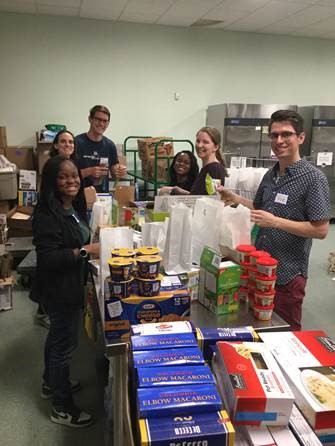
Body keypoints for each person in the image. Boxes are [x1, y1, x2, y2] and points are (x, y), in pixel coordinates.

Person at [217, 110, 330, 330]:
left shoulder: (313, 178)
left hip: (287, 274)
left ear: (300, 138)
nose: (279, 141)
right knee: (259, 327)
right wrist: (235, 198)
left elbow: (321, 229)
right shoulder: (271, 174)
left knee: (285, 332)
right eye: (274, 135)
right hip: (259, 268)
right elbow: (260, 209)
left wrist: (276, 222)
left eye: (286, 134)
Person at [31, 156, 99, 427]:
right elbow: (47, 258)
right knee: (64, 346)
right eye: (63, 177)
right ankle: (61, 407)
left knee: (57, 338)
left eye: (74, 176)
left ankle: (51, 383)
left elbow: (76, 236)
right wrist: (86, 250)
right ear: (51, 181)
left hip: (67, 286)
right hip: (59, 290)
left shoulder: (70, 206)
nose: (71, 180)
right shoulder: (48, 213)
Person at [75, 105, 126, 192]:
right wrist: (89, 171)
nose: (101, 124)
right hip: (79, 195)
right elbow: (69, 175)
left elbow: (114, 173)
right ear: (90, 119)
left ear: (108, 123)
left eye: (105, 121)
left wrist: (119, 171)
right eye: (98, 119)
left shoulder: (110, 145)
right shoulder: (76, 143)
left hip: (102, 197)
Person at [190, 126, 227, 195]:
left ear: (216, 147)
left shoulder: (214, 169)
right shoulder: (207, 168)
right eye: (198, 141)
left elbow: (211, 200)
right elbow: (199, 196)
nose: (199, 145)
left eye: (205, 142)